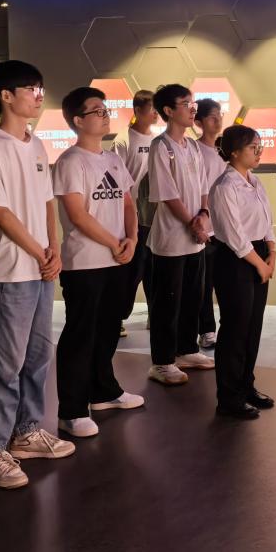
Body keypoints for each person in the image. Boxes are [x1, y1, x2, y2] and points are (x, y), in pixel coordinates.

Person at [0, 60, 73, 490]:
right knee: (3, 364)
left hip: (40, 267)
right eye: (31, 88)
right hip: (9, 270)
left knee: (36, 356)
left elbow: (47, 202)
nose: (38, 95)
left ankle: (27, 431)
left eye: (40, 87)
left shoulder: (36, 145)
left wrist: (54, 249)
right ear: (6, 96)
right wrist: (38, 251)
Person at [53, 86, 144, 439]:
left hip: (117, 259)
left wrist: (132, 238)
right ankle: (72, 410)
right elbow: (77, 215)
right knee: (81, 334)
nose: (105, 115)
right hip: (85, 263)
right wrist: (114, 242)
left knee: (107, 329)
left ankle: (104, 391)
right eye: (97, 111)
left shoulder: (113, 159)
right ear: (78, 121)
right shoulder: (70, 161)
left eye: (106, 109)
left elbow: (127, 203)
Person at [146, 84, 214, 385]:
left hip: (195, 238)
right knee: (167, 302)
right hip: (171, 240)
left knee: (192, 297)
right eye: (186, 104)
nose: (192, 109)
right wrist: (192, 223)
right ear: (168, 111)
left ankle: (186, 350)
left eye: (192, 103)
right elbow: (167, 193)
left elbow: (203, 187)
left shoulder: (193, 146)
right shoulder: (161, 146)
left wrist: (204, 214)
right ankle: (162, 362)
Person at [209, 125, 276, 420]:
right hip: (236, 260)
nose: (259, 152)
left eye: (260, 146)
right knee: (235, 329)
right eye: (253, 147)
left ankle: (246, 386)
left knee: (252, 327)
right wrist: (260, 264)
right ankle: (228, 397)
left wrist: (272, 252)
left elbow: (267, 222)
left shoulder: (255, 181)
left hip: (259, 254)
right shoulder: (225, 187)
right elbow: (235, 237)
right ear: (234, 152)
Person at [112, 89, 159, 337]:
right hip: (132, 218)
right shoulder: (123, 140)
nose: (156, 114)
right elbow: (117, 180)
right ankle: (117, 317)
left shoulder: (159, 140)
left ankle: (155, 314)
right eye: (152, 109)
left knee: (154, 270)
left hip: (155, 217)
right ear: (138, 110)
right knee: (131, 271)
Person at [193, 98, 227, 350]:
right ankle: (206, 330)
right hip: (206, 228)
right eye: (212, 117)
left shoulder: (226, 150)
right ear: (198, 122)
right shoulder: (194, 151)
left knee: (224, 282)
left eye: (220, 115)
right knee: (203, 285)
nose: (218, 120)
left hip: (226, 228)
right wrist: (200, 224)